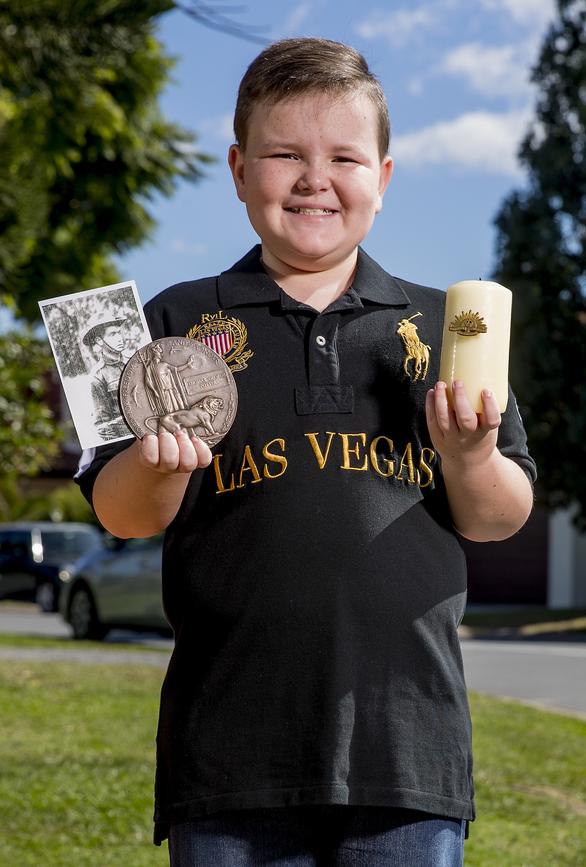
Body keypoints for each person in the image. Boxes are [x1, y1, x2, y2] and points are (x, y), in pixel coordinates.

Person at [76, 37, 536, 867]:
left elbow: (501, 514)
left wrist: (469, 457)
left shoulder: (448, 324)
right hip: (228, 752)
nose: (314, 177)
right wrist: (158, 463)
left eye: (344, 157)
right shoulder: (173, 323)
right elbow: (124, 511)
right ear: (239, 168)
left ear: (385, 179)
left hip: (408, 751)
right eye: (284, 153)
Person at [81, 313, 131, 440]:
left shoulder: (135, 361)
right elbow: (103, 427)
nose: (120, 338)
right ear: (99, 340)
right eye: (113, 334)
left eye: (119, 332)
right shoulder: (97, 376)